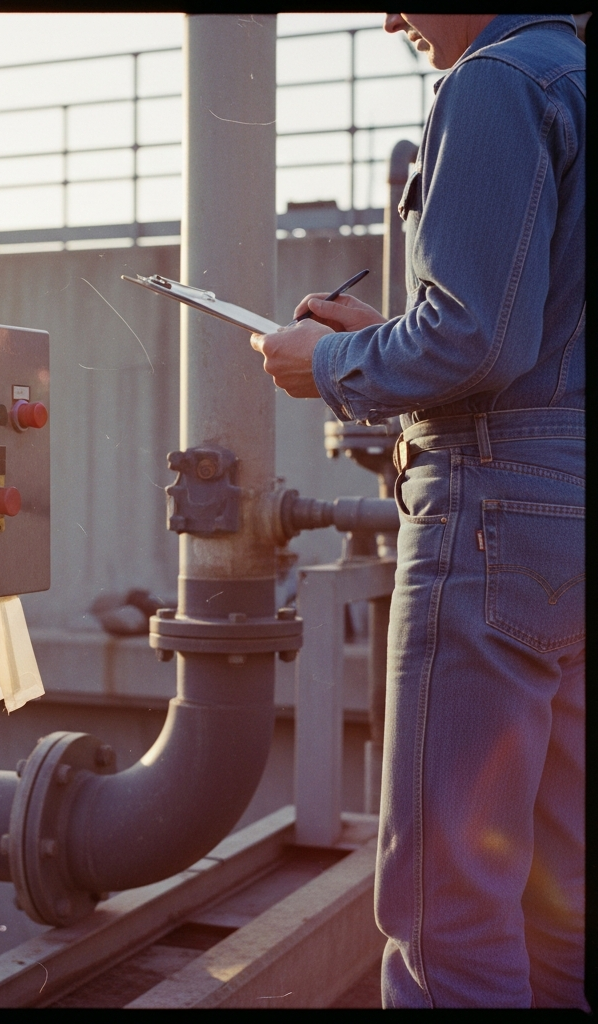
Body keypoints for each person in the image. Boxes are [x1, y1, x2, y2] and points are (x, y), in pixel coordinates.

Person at [251, 14, 585, 1009]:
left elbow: (476, 343)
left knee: (444, 901)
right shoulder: (574, 76)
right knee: (557, 887)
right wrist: (394, 334)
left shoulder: (492, 82)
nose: (389, 17)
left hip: (492, 508)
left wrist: (333, 363)